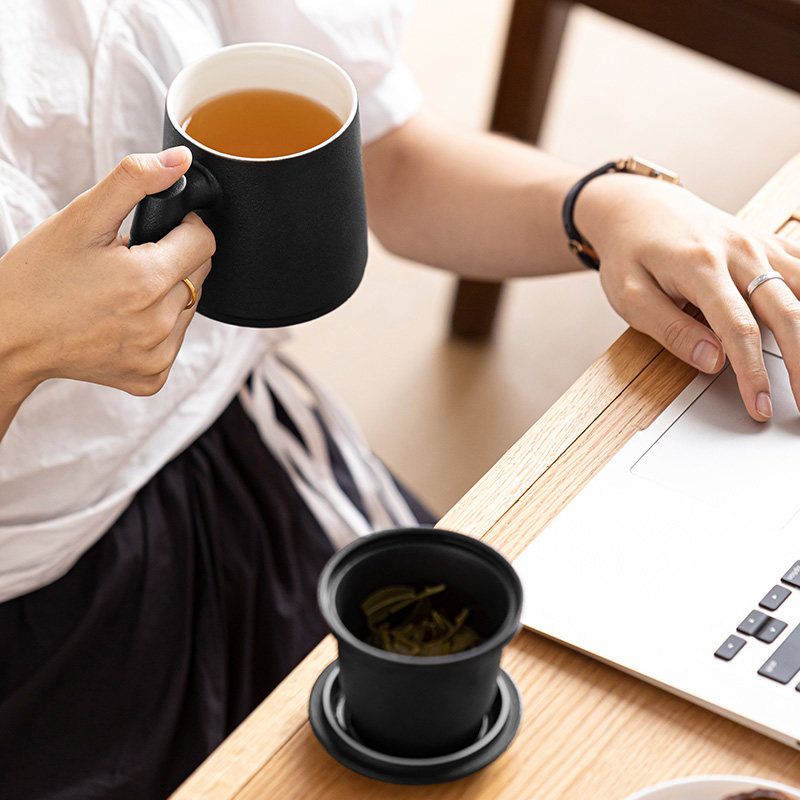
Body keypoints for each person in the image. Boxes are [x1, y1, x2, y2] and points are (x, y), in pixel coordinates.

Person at [0, 1, 798, 798]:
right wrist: (18, 341)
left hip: (252, 454)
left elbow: (392, 162)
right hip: (43, 623)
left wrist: (604, 203)